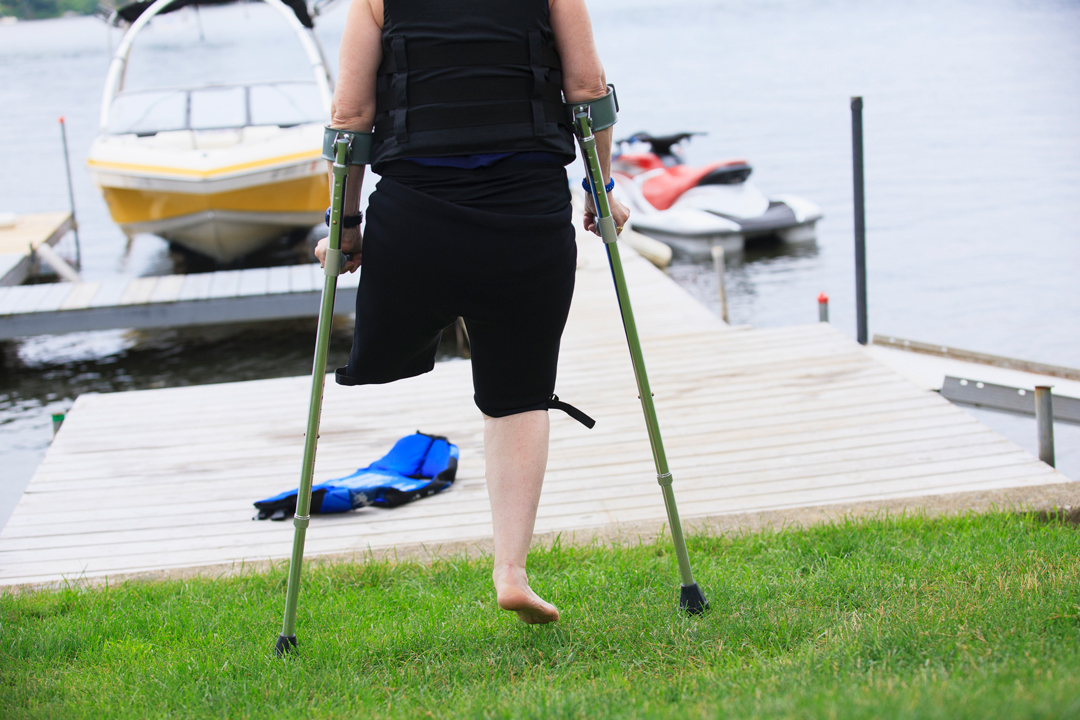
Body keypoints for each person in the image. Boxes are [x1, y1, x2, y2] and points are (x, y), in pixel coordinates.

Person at [315, 0, 630, 625]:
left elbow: (350, 117)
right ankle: (510, 569)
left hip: (415, 223)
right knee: (518, 392)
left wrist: (346, 226)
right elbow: (588, 91)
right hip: (527, 218)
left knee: (410, 347)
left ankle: (510, 567)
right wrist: (601, 192)